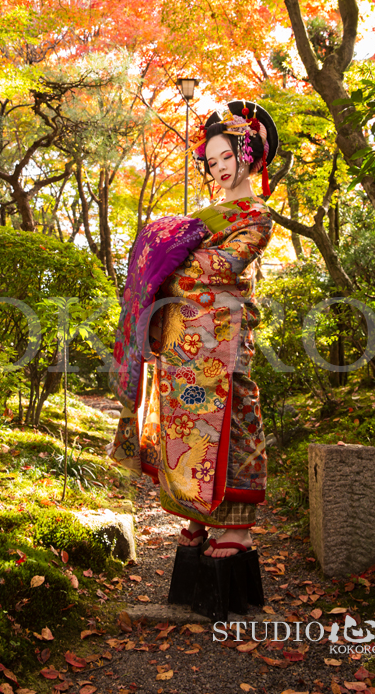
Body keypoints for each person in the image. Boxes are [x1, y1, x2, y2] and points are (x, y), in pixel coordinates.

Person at [109, 101, 278, 559]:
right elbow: (175, 264)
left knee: (234, 412)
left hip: (225, 331)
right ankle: (198, 516)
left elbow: (229, 264)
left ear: (250, 156)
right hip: (185, 334)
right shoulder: (205, 217)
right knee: (187, 421)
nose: (219, 167)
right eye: (213, 160)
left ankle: (239, 526)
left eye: (228, 157)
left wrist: (170, 261)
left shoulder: (255, 215)